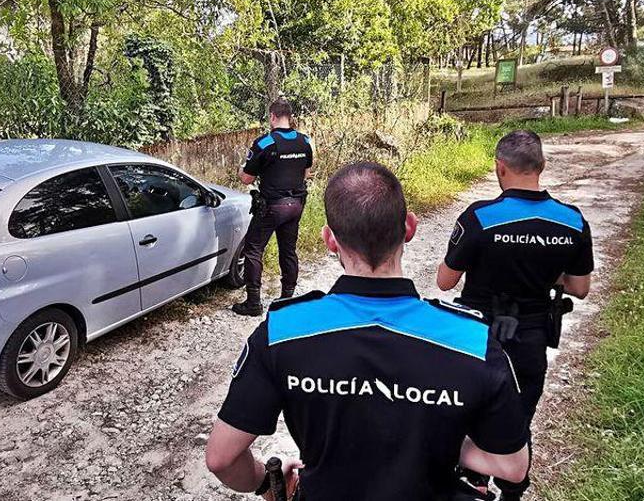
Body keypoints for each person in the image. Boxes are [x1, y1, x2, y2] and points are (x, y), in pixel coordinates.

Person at [206, 162, 530, 500]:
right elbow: (512, 467)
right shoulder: (472, 341)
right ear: (409, 227)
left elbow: (221, 458)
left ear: (330, 240)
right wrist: (446, 439)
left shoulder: (282, 333)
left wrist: (262, 482)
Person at [435, 129, 593, 500]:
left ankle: (472, 483)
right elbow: (580, 287)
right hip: (531, 337)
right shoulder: (571, 221)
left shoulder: (481, 217)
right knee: (517, 418)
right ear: (542, 166)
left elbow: (445, 281)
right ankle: (512, 489)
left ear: (499, 168)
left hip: (479, 335)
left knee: (467, 412)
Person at [232, 98, 315, 316]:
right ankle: (287, 297)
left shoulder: (264, 143)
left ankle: (253, 303)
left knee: (253, 249)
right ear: (290, 116)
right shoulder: (305, 141)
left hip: (272, 206)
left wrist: (241, 170)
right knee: (288, 250)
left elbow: (247, 179)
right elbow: (306, 173)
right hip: (296, 204)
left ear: (272, 117)